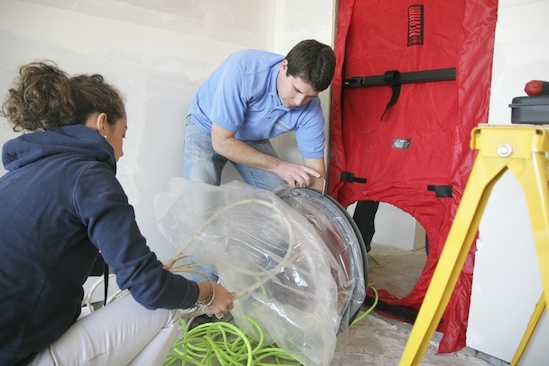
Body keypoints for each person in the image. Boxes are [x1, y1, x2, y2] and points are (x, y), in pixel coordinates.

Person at [0, 61, 235, 366]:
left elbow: (48, 252)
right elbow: (152, 291)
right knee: (164, 307)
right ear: (102, 124)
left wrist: (129, 269)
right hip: (16, 356)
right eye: (122, 134)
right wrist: (208, 293)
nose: (121, 152)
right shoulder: (89, 175)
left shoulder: (21, 173)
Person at [184, 39, 336, 192]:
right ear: (284, 67)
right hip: (207, 126)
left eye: (310, 96)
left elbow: (318, 178)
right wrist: (279, 166)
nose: (299, 102)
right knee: (199, 202)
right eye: (296, 90)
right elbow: (221, 142)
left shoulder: (311, 108)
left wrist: (310, 206)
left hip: (250, 137)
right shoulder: (243, 69)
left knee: (281, 199)